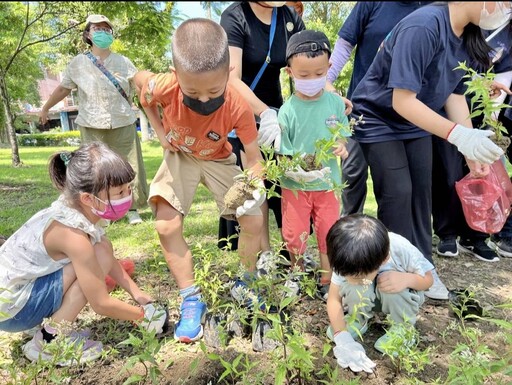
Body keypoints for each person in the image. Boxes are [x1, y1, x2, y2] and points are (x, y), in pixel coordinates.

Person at [349, 2, 508, 301]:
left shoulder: (469, 36)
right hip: (377, 117)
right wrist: (457, 134)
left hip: (417, 119)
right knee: (398, 193)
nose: (506, 7)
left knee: (422, 194)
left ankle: (424, 270)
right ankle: (392, 276)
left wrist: (470, 150)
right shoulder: (424, 26)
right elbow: (402, 100)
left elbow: (454, 94)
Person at [132, 18, 266, 343]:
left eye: (214, 90)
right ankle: (191, 298)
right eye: (192, 91)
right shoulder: (164, 85)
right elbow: (140, 85)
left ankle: (246, 281)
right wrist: (161, 134)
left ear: (228, 75)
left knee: (252, 218)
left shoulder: (237, 105)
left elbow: (253, 155)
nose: (204, 99)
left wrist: (255, 183)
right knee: (166, 225)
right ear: (175, 75)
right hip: (181, 155)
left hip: (219, 159)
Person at [0, 142, 168, 365]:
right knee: (91, 268)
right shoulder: (72, 234)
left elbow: (105, 253)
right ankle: (48, 342)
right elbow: (100, 303)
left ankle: (53, 328)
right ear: (88, 198)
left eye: (128, 188)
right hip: (13, 310)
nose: (127, 196)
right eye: (119, 192)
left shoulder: (76, 211)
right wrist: (143, 316)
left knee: (100, 250)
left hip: (16, 296)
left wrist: (137, 294)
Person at [39, 14, 149, 225]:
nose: (102, 33)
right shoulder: (77, 63)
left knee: (129, 165)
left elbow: (139, 85)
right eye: (97, 29)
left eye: (106, 29)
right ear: (88, 34)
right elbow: (63, 88)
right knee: (94, 169)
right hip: (91, 123)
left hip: (122, 121)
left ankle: (131, 208)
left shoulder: (124, 62)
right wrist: (45, 108)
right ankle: (101, 211)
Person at [326, 1, 432, 217]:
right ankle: (349, 232)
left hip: (411, 112)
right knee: (353, 173)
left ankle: (401, 242)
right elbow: (346, 43)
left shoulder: (434, 9)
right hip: (363, 108)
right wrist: (326, 81)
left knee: (404, 188)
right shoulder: (372, 3)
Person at [218, 1, 305, 259]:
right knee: (257, 184)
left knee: (284, 182)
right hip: (241, 111)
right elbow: (231, 79)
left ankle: (293, 250)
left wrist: (327, 97)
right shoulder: (235, 16)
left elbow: (305, 65)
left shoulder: (288, 16)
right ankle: (265, 253)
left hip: (277, 111)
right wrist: (264, 113)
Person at [277, 30, 350, 300]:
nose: (311, 80)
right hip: (295, 185)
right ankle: (296, 272)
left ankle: (326, 277)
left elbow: (341, 134)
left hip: (328, 183)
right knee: (295, 233)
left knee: (328, 232)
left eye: (318, 74)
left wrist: (341, 145)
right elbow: (283, 153)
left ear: (328, 68)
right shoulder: (288, 110)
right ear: (290, 72)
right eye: (303, 76)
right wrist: (290, 168)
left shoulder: (335, 103)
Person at [434, 22, 512, 262]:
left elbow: (503, 80)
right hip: (447, 107)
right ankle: (447, 233)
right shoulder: (468, 22)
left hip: (481, 111)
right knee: (448, 171)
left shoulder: (508, 37)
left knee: (481, 171)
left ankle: (476, 235)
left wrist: (491, 123)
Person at [325, 214, 434, 373]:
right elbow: (334, 299)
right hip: (370, 294)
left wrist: (407, 279)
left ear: (384, 259)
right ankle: (358, 319)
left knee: (391, 286)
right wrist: (341, 335)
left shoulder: (401, 249)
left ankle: (403, 329)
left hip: (398, 296)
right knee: (352, 286)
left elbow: (428, 280)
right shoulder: (346, 256)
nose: (350, 278)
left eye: (357, 276)